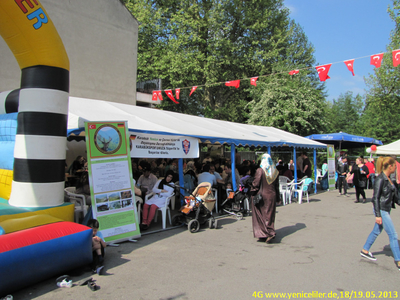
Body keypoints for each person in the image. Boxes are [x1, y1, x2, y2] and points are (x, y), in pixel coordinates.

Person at [360, 157, 400, 271]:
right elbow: (375, 198)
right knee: (393, 235)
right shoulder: (380, 179)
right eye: (395, 166)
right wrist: (377, 215)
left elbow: (395, 197)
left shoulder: (389, 178)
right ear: (390, 166)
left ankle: (365, 250)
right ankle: (398, 260)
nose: (396, 167)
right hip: (381, 210)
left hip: (386, 209)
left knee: (377, 230)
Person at [251, 153, 279, 243]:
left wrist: (252, 190)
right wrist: (278, 198)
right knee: (270, 214)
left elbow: (256, 183)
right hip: (272, 195)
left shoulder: (260, 170)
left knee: (261, 214)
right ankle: (269, 231)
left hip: (262, 195)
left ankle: (266, 233)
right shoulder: (275, 171)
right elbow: (277, 186)